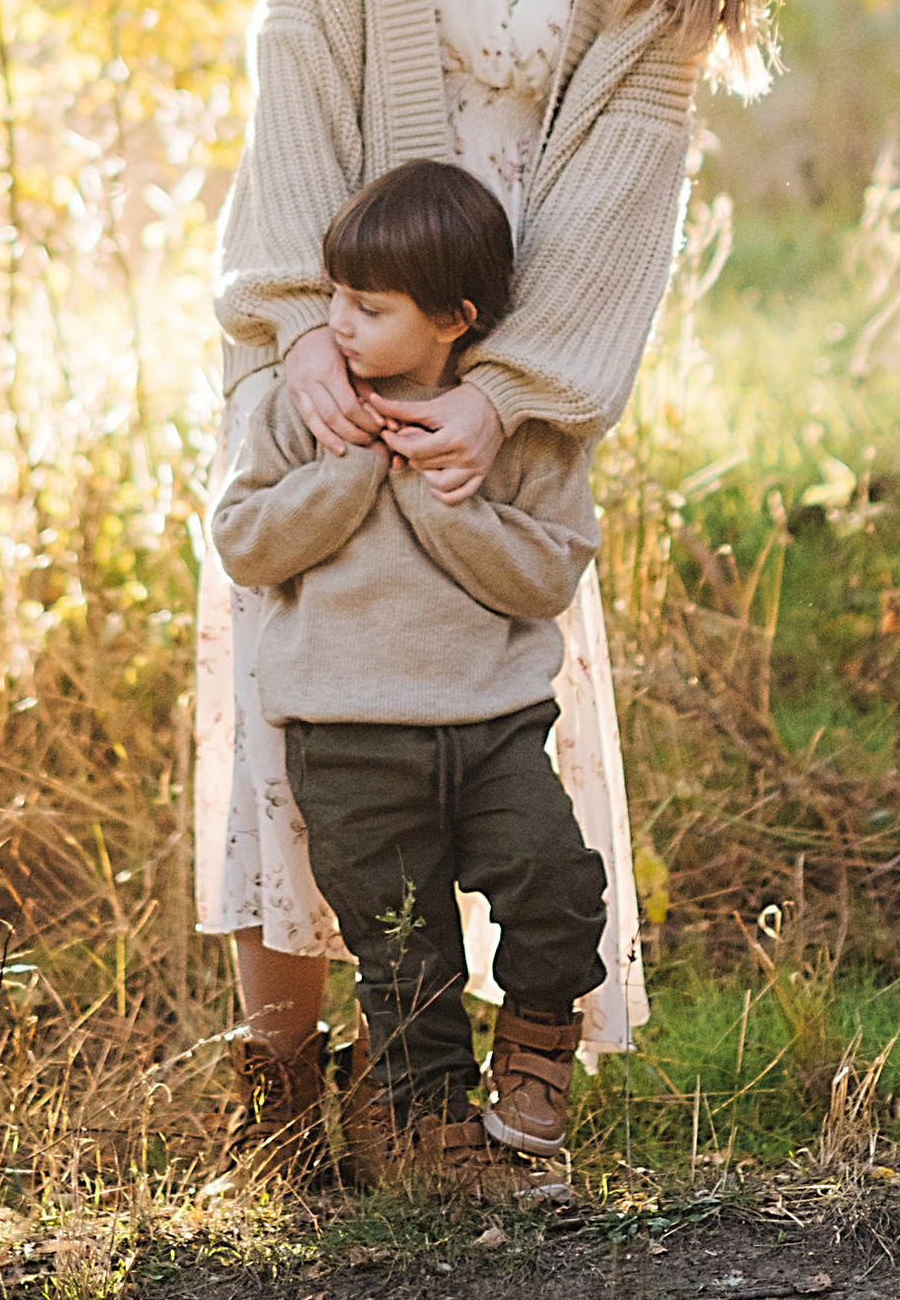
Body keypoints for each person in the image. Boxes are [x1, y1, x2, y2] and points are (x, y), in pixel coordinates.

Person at [196, 0, 779, 1183]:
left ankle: (471, 1081)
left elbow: (624, 172)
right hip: (326, 325)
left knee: (482, 696)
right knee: (298, 672)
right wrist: (305, 325)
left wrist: (508, 393)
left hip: (494, 379)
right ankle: (284, 1081)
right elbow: (295, 63)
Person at [210, 159, 610, 1179]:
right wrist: (344, 480)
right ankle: (429, 1133)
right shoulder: (306, 410)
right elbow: (244, 539)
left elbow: (548, 573)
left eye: (367, 306)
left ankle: (534, 1045)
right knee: (402, 946)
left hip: (492, 724)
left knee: (554, 880)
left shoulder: (513, 431)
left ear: (453, 318)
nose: (336, 323)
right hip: (347, 735)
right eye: (336, 294)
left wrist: (449, 507)